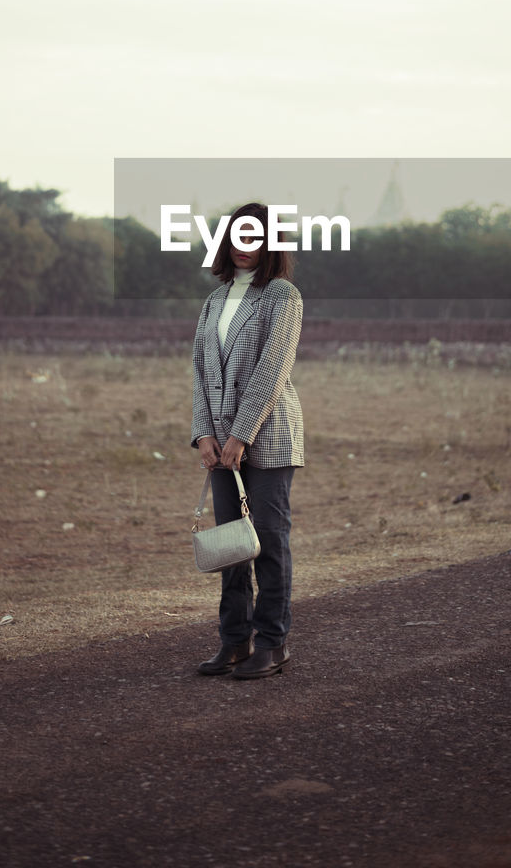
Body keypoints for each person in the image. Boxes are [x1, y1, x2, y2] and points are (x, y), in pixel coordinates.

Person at [190, 201, 304, 679]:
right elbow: (198, 371)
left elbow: (272, 371)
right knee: (232, 545)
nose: (243, 247)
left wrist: (241, 434)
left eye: (255, 238)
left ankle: (273, 643)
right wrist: (203, 435)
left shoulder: (282, 295)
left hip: (269, 435)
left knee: (268, 540)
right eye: (237, 236)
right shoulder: (215, 300)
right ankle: (234, 642)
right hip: (220, 443)